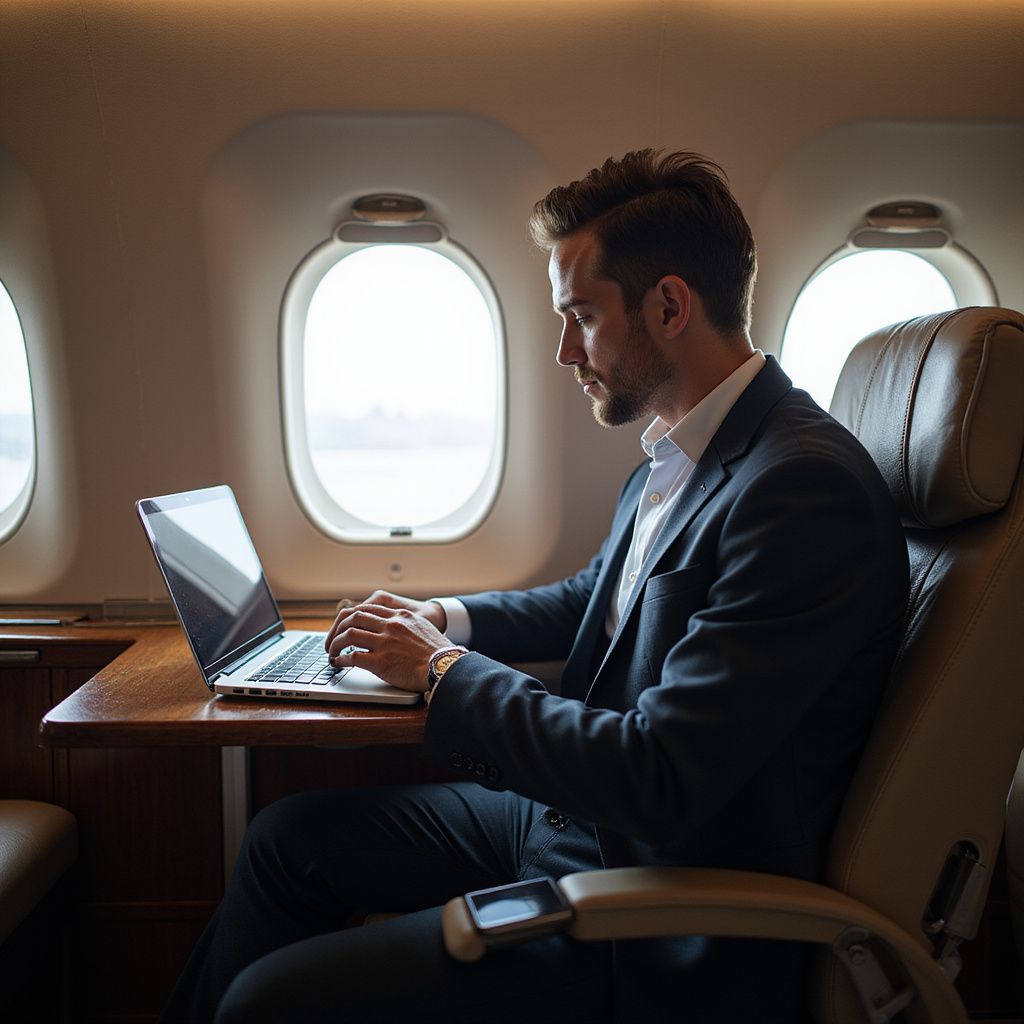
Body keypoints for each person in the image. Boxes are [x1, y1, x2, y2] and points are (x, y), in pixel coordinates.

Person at [163, 150, 909, 1023]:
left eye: (581, 316)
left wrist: (438, 672)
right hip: (578, 825)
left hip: (661, 898)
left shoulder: (797, 489)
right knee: (285, 843)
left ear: (669, 306)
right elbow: (596, 600)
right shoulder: (683, 455)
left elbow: (659, 776)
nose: (563, 351)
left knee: (266, 1001)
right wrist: (441, 618)